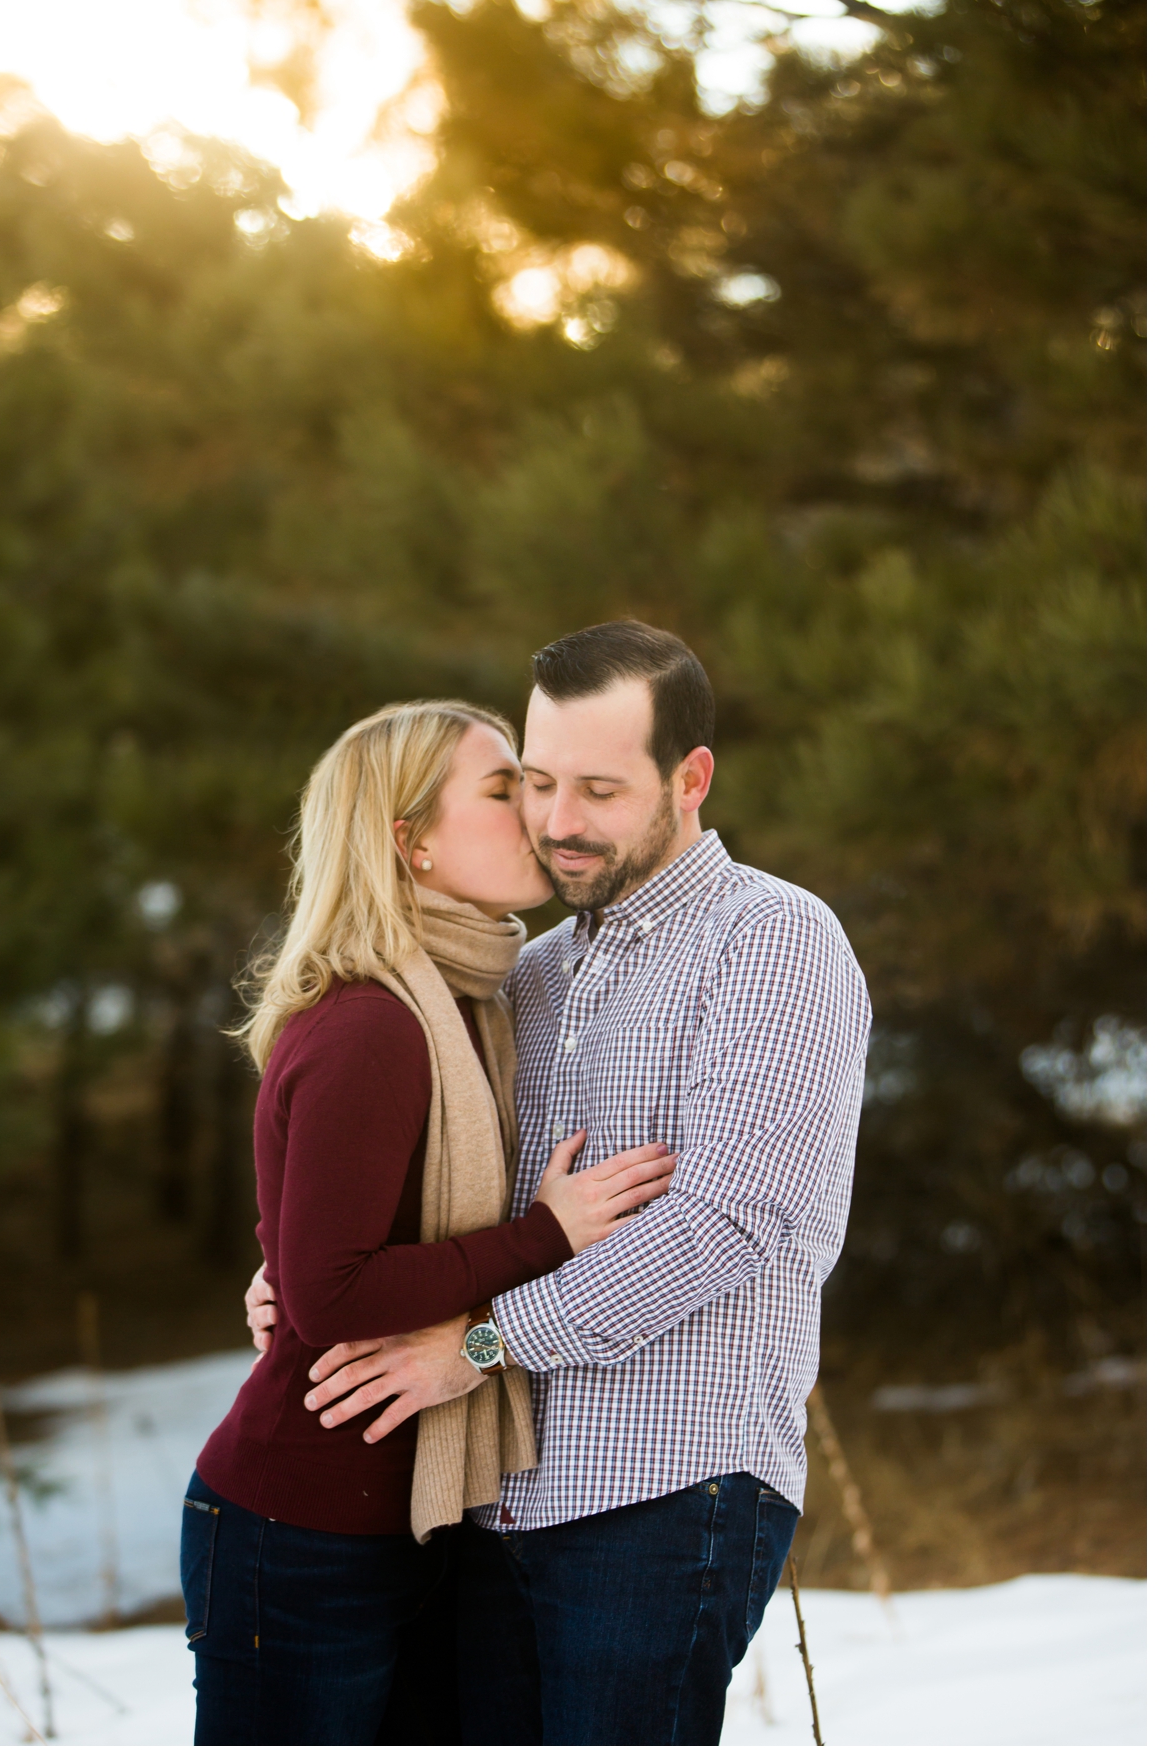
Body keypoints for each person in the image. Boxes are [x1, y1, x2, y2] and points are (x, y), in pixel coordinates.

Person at [248, 621, 872, 1744]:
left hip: (670, 1488)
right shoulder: (527, 973)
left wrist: (477, 1345)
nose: (559, 822)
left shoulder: (773, 941)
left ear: (691, 780)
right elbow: (440, 1192)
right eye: (537, 783)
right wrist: (294, 1267)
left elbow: (722, 1226)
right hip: (496, 1496)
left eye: (598, 788)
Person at [184, 697, 679, 1745]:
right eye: (505, 790)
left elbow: (314, 1231)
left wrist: (282, 1262)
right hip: (300, 1529)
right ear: (410, 843)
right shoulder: (376, 1022)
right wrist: (545, 1235)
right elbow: (329, 1293)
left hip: (403, 1521)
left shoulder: (473, 1004)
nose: (541, 814)